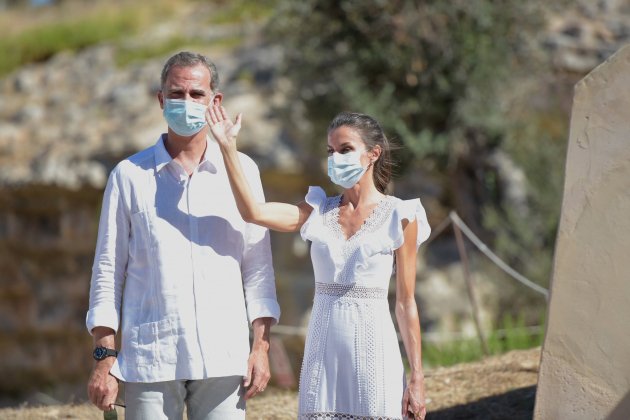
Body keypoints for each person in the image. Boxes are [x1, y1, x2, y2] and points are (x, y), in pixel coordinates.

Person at [85, 51, 280, 420]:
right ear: (161, 99)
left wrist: (260, 348)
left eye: (197, 94)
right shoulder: (129, 175)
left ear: (214, 101)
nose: (186, 102)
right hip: (150, 356)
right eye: (176, 94)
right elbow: (107, 272)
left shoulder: (243, 171)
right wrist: (104, 357)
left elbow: (258, 268)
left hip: (224, 355)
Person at [207, 106, 430, 419]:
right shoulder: (317, 210)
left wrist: (417, 378)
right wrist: (228, 148)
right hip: (322, 349)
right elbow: (253, 213)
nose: (336, 157)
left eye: (346, 149)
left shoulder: (400, 216)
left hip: (374, 351)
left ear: (373, 153)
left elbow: (406, 304)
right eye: (331, 150)